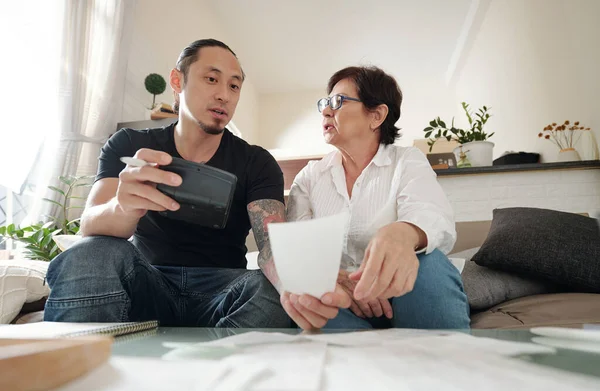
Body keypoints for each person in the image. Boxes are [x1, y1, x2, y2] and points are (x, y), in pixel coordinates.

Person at [44, 39, 291, 328]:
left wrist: (292, 286)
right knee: (88, 254)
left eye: (234, 86)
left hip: (226, 290)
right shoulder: (130, 144)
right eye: (211, 79)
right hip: (147, 279)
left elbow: (274, 246)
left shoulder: (256, 161)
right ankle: (84, 366)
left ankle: (212, 363)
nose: (224, 95)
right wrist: (123, 207)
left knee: (271, 289)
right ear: (177, 80)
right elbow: (90, 225)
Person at [281, 66, 470, 330]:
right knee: (310, 295)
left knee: (427, 261)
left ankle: (442, 363)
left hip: (406, 290)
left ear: (377, 115)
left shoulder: (406, 161)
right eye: (325, 103)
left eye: (338, 102)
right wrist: (335, 279)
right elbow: (300, 249)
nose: (326, 110)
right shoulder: (310, 177)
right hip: (343, 301)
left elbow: (433, 216)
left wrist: (402, 234)